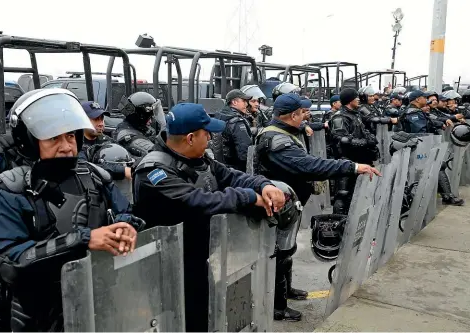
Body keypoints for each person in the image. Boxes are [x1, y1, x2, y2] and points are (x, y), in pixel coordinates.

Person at [0, 88, 145, 332]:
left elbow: (123, 212)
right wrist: (82, 239)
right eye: (53, 138)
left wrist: (127, 227)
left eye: (70, 136)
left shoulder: (95, 177)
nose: (66, 146)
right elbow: (8, 263)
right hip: (32, 317)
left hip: (96, 304)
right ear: (29, 141)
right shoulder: (9, 191)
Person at [133, 102, 286, 332]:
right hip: (168, 269)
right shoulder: (154, 172)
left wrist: (263, 185)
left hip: (202, 257)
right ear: (191, 138)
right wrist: (248, 197)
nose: (211, 138)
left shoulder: (198, 158)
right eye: (207, 133)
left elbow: (232, 176)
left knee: (206, 316)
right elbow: (198, 201)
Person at [254, 93, 380, 321]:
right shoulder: (276, 140)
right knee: (278, 253)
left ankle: (286, 291)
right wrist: (351, 167)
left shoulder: (286, 132)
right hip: (277, 207)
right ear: (293, 115)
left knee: (286, 249)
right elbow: (307, 165)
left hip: (289, 204)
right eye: (302, 113)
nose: (306, 116)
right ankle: (277, 306)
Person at [399, 90, 464, 206]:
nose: (427, 100)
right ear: (418, 99)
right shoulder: (413, 113)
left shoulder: (416, 111)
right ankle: (445, 196)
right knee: (437, 166)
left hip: (417, 147)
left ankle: (445, 195)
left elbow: (431, 120)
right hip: (417, 148)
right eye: (424, 97)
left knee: (439, 165)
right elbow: (420, 133)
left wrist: (438, 124)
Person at [329, 88, 380, 215]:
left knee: (362, 193)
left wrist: (371, 139)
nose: (358, 99)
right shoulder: (339, 117)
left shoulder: (355, 114)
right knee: (343, 194)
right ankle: (339, 224)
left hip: (362, 159)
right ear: (349, 100)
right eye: (355, 97)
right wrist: (365, 142)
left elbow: (364, 131)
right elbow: (342, 140)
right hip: (346, 161)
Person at [77, 101, 133, 180]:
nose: (101, 123)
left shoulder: (107, 140)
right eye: (96, 119)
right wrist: (123, 171)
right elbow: (85, 166)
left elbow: (126, 155)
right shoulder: (76, 143)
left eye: (102, 118)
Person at [113, 91, 164, 159]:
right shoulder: (129, 137)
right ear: (141, 117)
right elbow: (157, 155)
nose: (151, 121)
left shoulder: (137, 129)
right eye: (149, 117)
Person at [214, 89, 254, 171]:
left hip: (222, 167)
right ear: (234, 102)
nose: (246, 104)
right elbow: (245, 152)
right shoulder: (237, 122)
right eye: (244, 101)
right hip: (236, 170)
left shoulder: (220, 117)